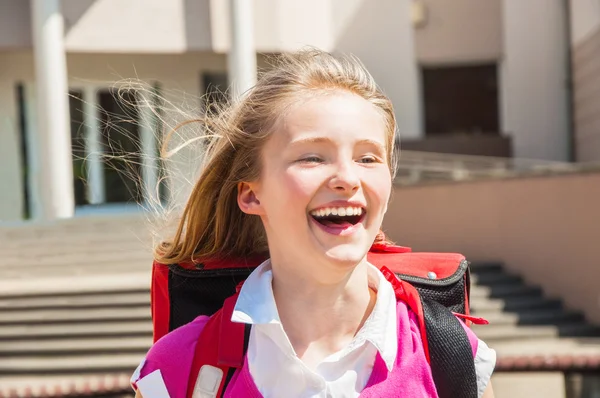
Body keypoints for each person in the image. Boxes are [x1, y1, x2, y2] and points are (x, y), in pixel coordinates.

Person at [132, 49, 496, 398]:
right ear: (251, 194)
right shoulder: (177, 369)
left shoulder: (455, 356)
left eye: (368, 158)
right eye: (312, 157)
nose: (347, 178)